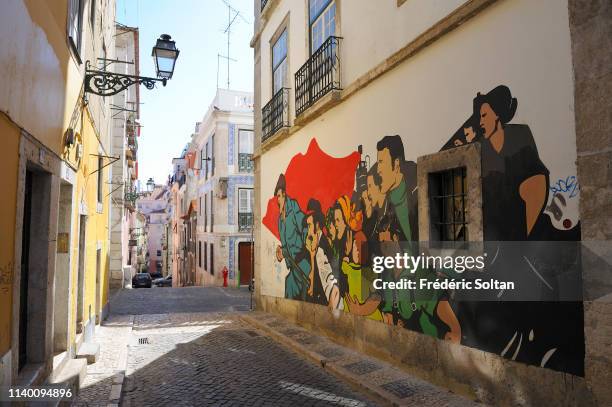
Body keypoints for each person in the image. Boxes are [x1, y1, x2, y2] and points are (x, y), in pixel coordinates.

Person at [274, 174, 310, 300]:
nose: (277, 200)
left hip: (304, 265)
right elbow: (287, 246)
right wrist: (281, 251)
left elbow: (305, 230)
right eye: (276, 197)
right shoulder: (280, 221)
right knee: (289, 286)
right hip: (294, 269)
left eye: (278, 196)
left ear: (284, 195)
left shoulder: (294, 210)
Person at [304, 199, 343, 309]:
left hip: (324, 299)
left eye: (309, 225)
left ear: (317, 225)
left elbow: (330, 276)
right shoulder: (314, 245)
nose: (308, 230)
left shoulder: (322, 247)